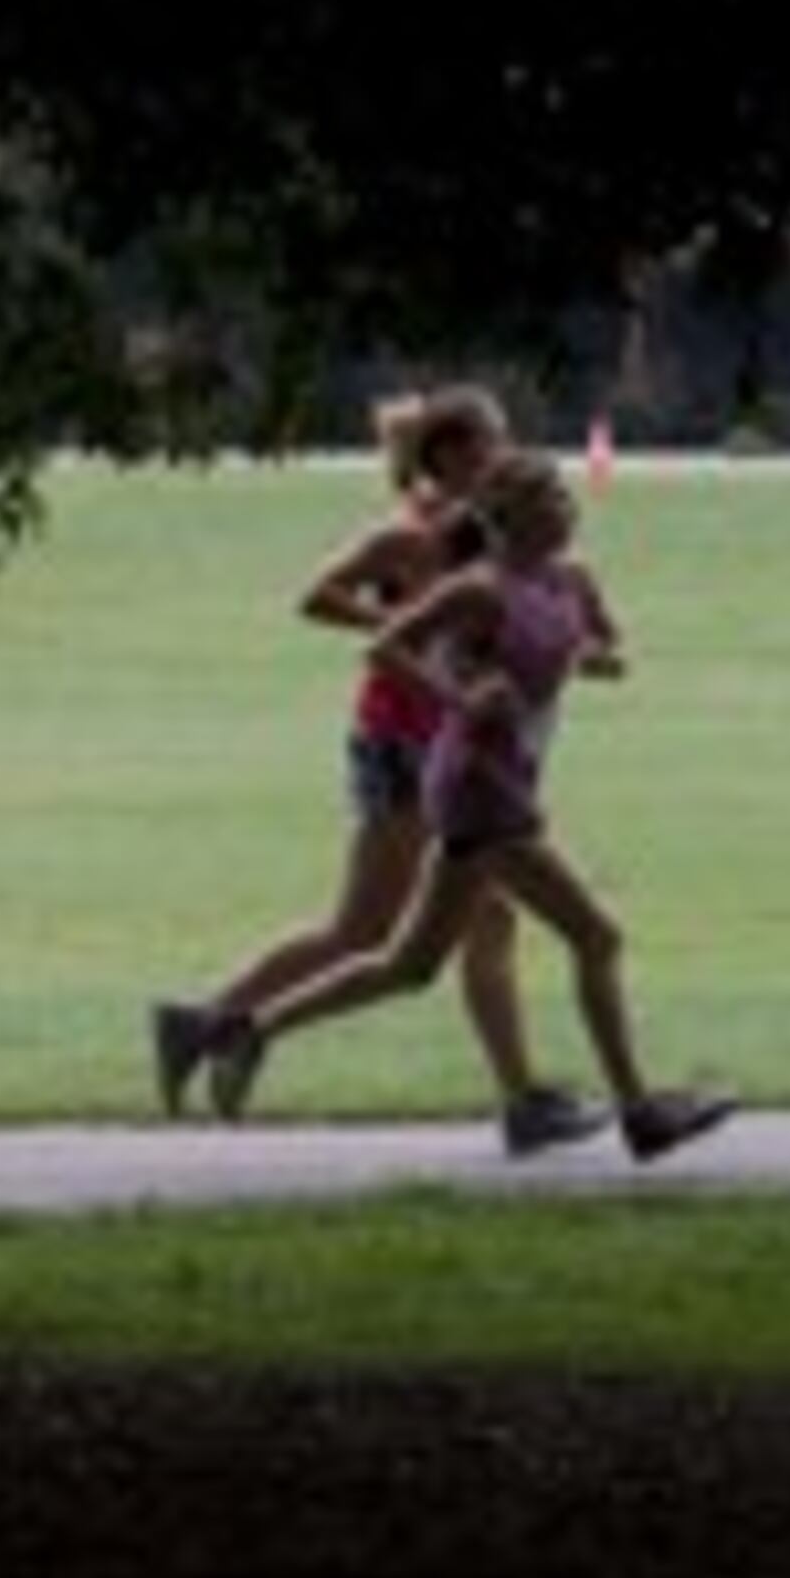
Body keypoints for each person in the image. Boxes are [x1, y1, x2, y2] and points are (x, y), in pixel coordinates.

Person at [194, 450, 736, 1162]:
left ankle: (248, 1032)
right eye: (550, 499)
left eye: (566, 495)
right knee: (597, 937)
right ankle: (642, 1114)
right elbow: (386, 648)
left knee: (409, 966)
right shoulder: (477, 590)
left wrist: (592, 656)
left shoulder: (571, 579)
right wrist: (459, 695)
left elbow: (600, 638)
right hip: (477, 783)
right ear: (510, 517)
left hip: (515, 775)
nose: (568, 508)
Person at [150, 386, 608, 1155]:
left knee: (453, 923)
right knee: (387, 927)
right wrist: (403, 626)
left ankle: (208, 1024)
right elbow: (318, 597)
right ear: (451, 455)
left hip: (456, 749)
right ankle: (216, 1024)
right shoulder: (413, 537)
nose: (503, 452)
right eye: (490, 441)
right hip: (402, 743)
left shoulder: (483, 536)